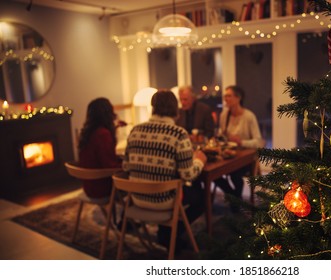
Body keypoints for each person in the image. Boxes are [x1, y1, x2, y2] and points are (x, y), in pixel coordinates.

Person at [122, 89, 207, 250]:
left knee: (185, 190)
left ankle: (165, 233)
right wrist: (199, 161)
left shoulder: (135, 130)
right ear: (175, 109)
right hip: (164, 200)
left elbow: (125, 166)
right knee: (201, 198)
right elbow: (188, 175)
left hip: (137, 198)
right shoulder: (179, 134)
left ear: (153, 108)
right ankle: (170, 233)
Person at [215, 85, 263, 206]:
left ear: (238, 98)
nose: (226, 99)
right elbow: (222, 135)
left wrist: (241, 142)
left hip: (246, 158)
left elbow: (258, 141)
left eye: (229, 96)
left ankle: (235, 201)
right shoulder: (224, 115)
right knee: (214, 173)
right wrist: (221, 138)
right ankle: (235, 198)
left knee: (234, 175)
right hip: (229, 155)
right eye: (225, 96)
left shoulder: (248, 116)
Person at [78, 97, 122, 199]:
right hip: (101, 188)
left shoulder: (87, 133)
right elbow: (110, 166)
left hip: (89, 186)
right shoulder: (102, 134)